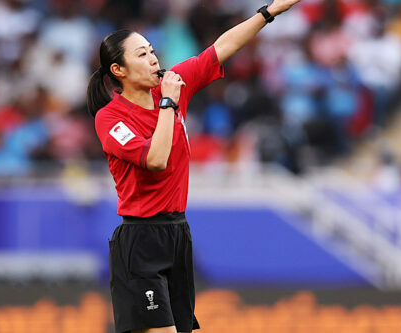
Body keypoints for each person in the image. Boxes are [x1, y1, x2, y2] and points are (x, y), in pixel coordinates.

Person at [87, 1, 301, 332]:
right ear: (119, 71)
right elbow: (155, 160)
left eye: (152, 50)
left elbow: (220, 48)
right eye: (141, 55)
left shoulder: (169, 87)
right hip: (141, 240)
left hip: (177, 234)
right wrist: (169, 104)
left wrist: (270, 11)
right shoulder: (111, 118)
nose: (153, 59)